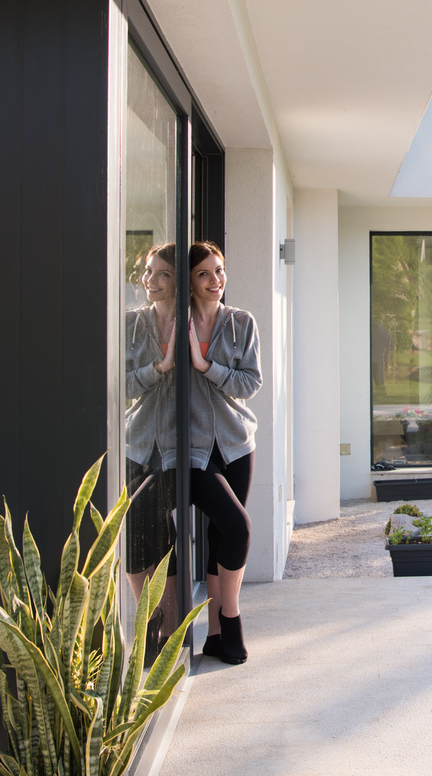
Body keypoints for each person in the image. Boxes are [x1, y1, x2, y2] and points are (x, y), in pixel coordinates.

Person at [184, 240, 261, 665]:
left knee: (220, 536)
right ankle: (231, 620)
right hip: (193, 451)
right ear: (191, 284)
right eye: (204, 274)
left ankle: (214, 635)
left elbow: (250, 383)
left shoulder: (241, 323)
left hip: (236, 443)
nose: (216, 281)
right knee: (238, 527)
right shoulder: (175, 325)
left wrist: (205, 366)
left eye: (219, 271)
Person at [123, 243, 179, 633]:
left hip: (180, 448)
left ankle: (168, 619)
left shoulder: (195, 324)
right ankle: (150, 617)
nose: (150, 280)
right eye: (148, 271)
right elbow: (119, 384)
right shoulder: (132, 324)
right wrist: (158, 368)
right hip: (138, 442)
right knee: (134, 525)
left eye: (162, 273)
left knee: (154, 517)